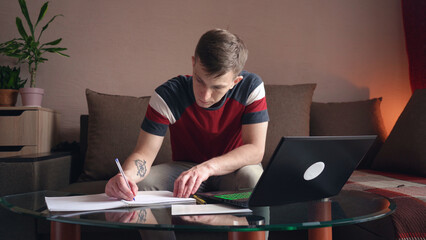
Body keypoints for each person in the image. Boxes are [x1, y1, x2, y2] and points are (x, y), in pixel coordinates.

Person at [105, 29, 269, 201]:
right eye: (199, 80)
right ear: (193, 63)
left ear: (235, 82)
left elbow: (255, 150)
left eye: (217, 87)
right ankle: (166, 229)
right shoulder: (167, 95)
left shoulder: (251, 87)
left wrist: (207, 168)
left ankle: (244, 228)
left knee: (253, 177)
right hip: (186, 169)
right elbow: (144, 154)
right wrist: (126, 177)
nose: (204, 96)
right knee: (141, 185)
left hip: (235, 169)